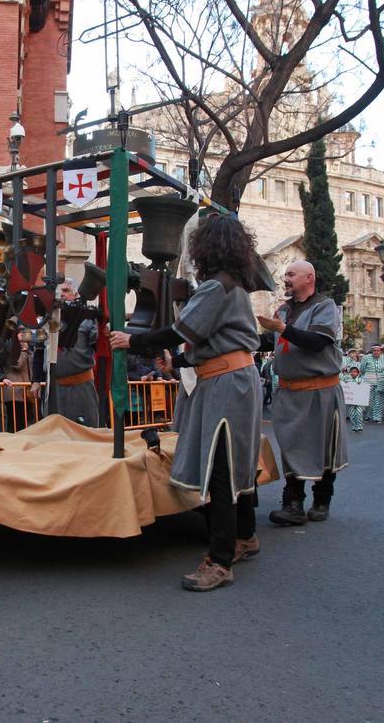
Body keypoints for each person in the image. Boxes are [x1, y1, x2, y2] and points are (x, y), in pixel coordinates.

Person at [110, 212, 264, 592]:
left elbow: (183, 331)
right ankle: (245, 535)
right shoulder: (234, 286)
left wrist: (134, 340)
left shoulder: (217, 287)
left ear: (207, 248)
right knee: (235, 461)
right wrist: (176, 361)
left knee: (222, 468)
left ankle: (221, 559)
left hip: (227, 383)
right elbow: (208, 341)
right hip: (233, 378)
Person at [260, 260, 347, 527]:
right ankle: (293, 504)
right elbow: (270, 341)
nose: (286, 278)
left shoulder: (325, 306)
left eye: (291, 274)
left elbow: (318, 343)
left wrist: (282, 329)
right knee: (290, 447)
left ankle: (322, 500)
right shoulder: (283, 310)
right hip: (289, 391)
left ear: (309, 278)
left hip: (320, 390)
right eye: (285, 274)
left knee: (323, 448)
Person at [45, 278, 102, 427]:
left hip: (81, 388)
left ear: (75, 294)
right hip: (54, 389)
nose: (62, 295)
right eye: (59, 292)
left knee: (85, 434)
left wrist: (106, 330)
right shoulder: (48, 319)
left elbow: (101, 347)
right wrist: (36, 381)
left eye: (66, 291)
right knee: (53, 437)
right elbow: (40, 351)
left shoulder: (88, 320)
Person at [342, 363, 365, 432]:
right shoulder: (347, 379)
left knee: (359, 412)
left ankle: (360, 426)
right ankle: (355, 426)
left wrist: (360, 385)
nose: (353, 373)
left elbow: (366, 388)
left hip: (359, 401)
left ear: (358, 372)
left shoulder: (361, 380)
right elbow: (341, 380)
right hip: (351, 401)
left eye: (355, 371)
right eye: (351, 371)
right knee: (352, 414)